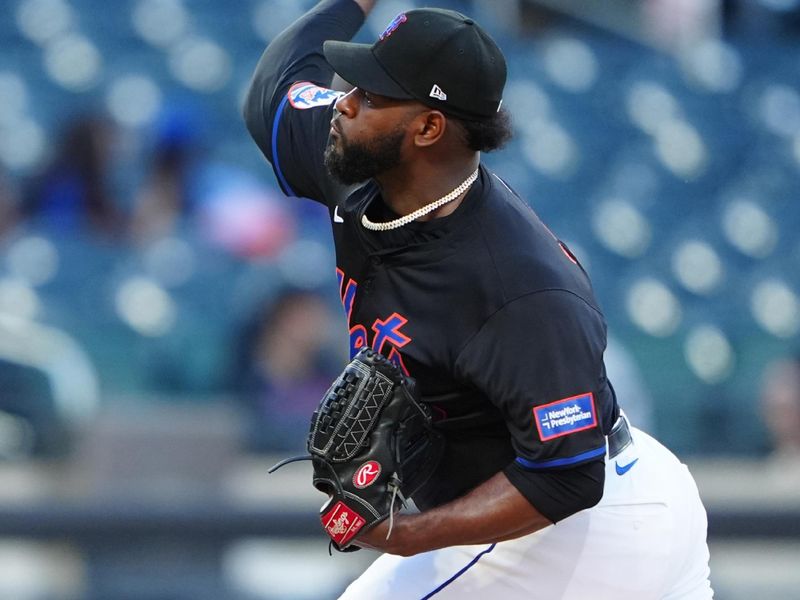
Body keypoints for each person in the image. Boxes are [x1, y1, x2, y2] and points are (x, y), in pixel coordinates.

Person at [243, 1, 713, 598]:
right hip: (585, 501)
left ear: (428, 129)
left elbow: (565, 479)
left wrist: (412, 534)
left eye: (371, 93)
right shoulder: (363, 159)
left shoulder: (519, 289)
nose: (345, 101)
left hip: (584, 525)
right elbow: (272, 92)